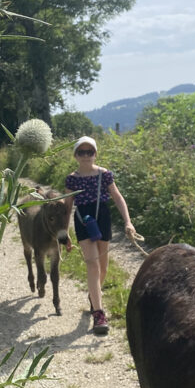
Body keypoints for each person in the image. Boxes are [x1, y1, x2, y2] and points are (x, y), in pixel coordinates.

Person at [65, 135, 136, 335]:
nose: (86, 156)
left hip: (102, 217)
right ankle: (99, 313)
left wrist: (128, 222)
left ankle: (93, 295)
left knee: (102, 267)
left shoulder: (105, 175)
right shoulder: (72, 179)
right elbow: (67, 206)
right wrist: (64, 233)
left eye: (90, 152)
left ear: (95, 154)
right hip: (82, 219)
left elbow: (118, 197)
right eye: (82, 152)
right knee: (93, 264)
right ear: (76, 155)